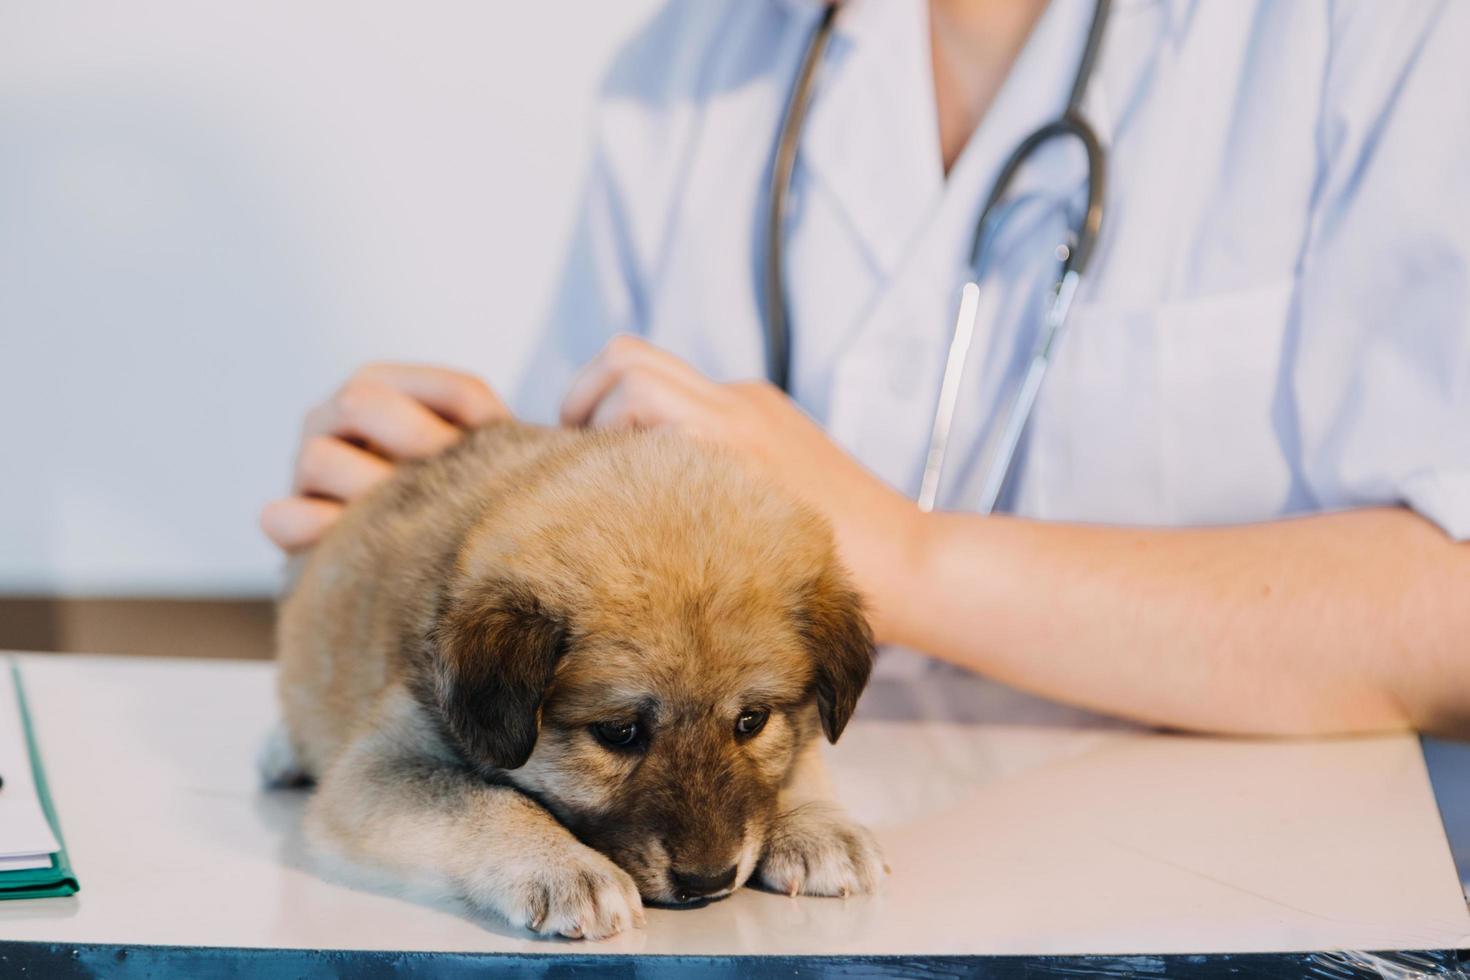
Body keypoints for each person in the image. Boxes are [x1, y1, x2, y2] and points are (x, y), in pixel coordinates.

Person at [261, 0, 1470, 738]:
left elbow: (1448, 621)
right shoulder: (686, 65)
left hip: (1258, 899)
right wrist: (446, 516)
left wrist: (899, 554)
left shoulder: (1371, 30)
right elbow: (589, 559)